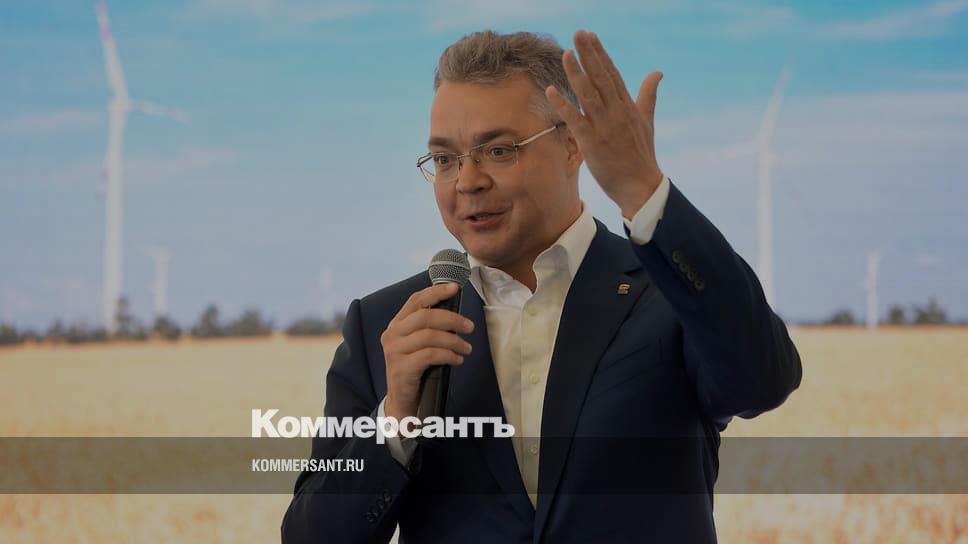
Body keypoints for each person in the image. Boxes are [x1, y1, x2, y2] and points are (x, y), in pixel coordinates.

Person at [282, 29, 802, 543]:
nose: (467, 181)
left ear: (573, 144)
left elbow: (764, 380)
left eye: (498, 150)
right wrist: (393, 424)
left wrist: (644, 192)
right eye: (444, 159)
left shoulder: (670, 292)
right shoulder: (386, 327)